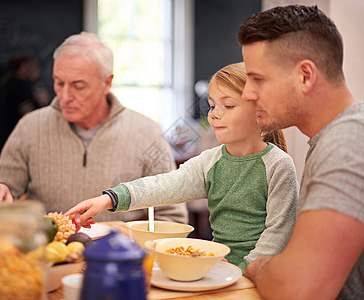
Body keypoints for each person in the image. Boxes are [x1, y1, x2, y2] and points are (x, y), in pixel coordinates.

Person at [65, 62, 300, 274]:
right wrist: (109, 199)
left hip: (262, 274)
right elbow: (165, 184)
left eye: (227, 105)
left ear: (260, 114)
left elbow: (278, 234)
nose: (215, 114)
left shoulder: (277, 165)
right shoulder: (210, 161)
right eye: (211, 106)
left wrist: (243, 269)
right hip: (217, 268)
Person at [0, 31, 188, 224]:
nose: (65, 96)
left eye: (78, 86)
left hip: (118, 259)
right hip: (44, 256)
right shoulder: (31, 126)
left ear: (107, 82)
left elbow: (172, 217)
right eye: (59, 83)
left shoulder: (147, 132)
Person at [237, 5, 364, 299]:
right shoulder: (336, 137)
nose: (247, 93)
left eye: (258, 78)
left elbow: (296, 290)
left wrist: (256, 265)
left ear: (305, 76)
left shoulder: (347, 143)